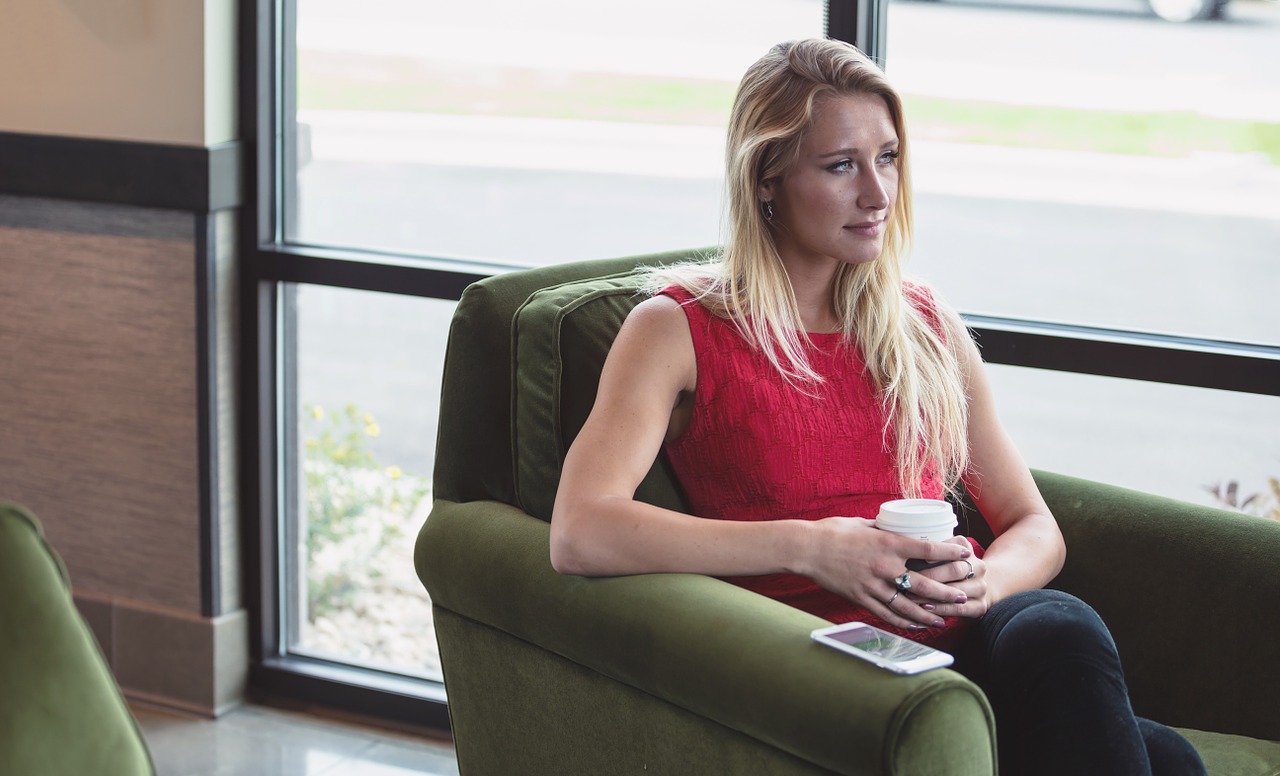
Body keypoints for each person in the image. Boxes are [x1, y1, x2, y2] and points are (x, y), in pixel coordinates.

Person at [549, 37, 1205, 776]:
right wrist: (813, 547)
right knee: (1165, 761)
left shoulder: (922, 321)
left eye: (888, 158)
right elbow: (581, 530)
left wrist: (984, 582)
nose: (878, 193)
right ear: (767, 179)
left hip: (966, 632)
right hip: (818, 650)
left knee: (1066, 637)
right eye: (841, 166)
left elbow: (1033, 526)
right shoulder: (677, 328)